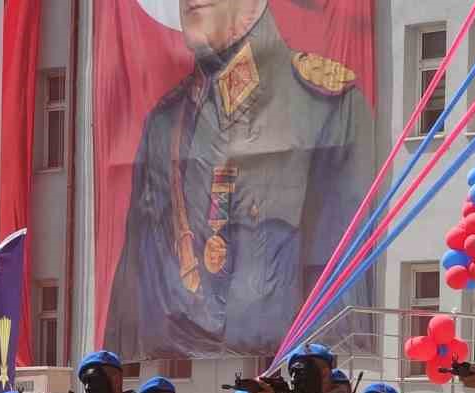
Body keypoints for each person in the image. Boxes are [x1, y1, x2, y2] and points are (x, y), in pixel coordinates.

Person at [103, 0, 374, 359]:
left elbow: (340, 285)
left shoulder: (325, 106)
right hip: (170, 385)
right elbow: (132, 297)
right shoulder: (164, 124)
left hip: (280, 383)